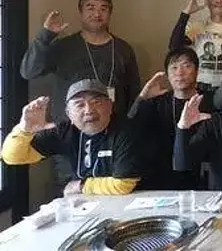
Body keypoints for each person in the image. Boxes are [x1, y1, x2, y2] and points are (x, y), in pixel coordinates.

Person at [1, 79, 142, 195]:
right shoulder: (65, 131)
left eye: (96, 102)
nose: (88, 110)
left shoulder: (126, 130)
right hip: (86, 204)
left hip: (130, 200)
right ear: (69, 114)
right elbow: (13, 158)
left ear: (110, 106)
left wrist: (80, 186)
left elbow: (124, 184)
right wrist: (25, 129)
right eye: (79, 104)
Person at [20, 0, 140, 121]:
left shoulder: (123, 49)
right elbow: (29, 72)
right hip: (68, 126)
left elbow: (134, 92)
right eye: (90, 8)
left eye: (103, 9)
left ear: (110, 14)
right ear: (81, 12)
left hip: (113, 126)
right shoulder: (63, 46)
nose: (97, 14)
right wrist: (45, 35)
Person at [128, 48, 214, 190]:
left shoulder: (210, 100)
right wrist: (142, 97)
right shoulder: (157, 102)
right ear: (167, 75)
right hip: (163, 177)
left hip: (203, 176)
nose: (179, 72)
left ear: (197, 72)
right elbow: (129, 127)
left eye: (186, 66)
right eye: (174, 67)